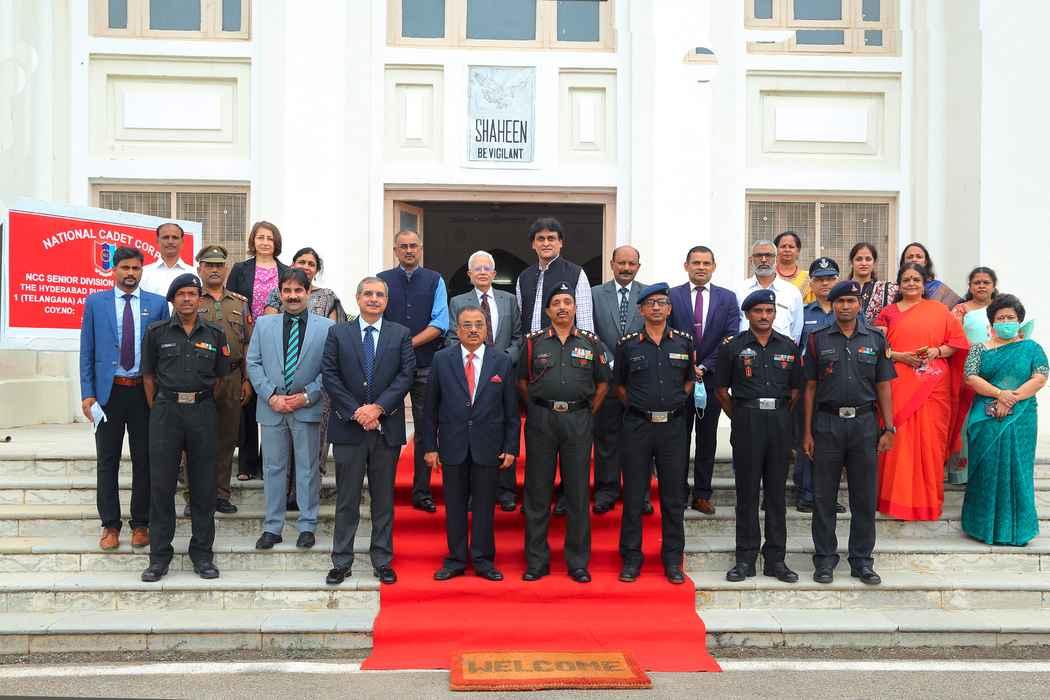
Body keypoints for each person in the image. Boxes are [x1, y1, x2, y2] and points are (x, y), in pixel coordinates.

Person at [802, 280, 896, 586]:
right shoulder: (817, 339)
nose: (845, 306)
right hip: (827, 424)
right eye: (840, 301)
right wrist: (807, 432)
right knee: (823, 497)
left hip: (864, 425)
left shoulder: (876, 339)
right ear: (833, 305)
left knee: (864, 497)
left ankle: (862, 561)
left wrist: (889, 427)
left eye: (851, 301)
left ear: (859, 304)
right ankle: (824, 560)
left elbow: (884, 385)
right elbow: (810, 388)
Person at [322, 277, 415, 586]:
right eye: (368, 294)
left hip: (385, 429)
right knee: (346, 499)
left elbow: (406, 376)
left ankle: (382, 560)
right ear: (358, 297)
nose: (374, 299)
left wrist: (378, 408)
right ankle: (341, 561)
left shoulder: (400, 334)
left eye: (380, 295)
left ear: (386, 301)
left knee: (383, 499)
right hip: (349, 429)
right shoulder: (338, 333)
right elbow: (330, 375)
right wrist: (357, 411)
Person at [140, 273, 231, 582]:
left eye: (193, 293)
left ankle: (202, 555)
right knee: (162, 486)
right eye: (182, 294)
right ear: (173, 300)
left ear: (200, 298)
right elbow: (148, 377)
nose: (188, 299)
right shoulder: (156, 332)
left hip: (202, 412)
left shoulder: (215, 334)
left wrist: (199, 400)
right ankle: (159, 557)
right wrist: (162, 406)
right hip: (166, 412)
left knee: (204, 487)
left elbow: (220, 379)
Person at [518, 283, 609, 583]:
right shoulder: (533, 343)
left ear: (575, 308)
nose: (562, 307)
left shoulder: (591, 342)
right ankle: (536, 562)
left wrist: (585, 412)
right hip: (541, 421)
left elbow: (603, 384)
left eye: (567, 302)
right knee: (537, 493)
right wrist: (537, 408)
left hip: (578, 420)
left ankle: (578, 562)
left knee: (577, 493)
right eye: (556, 302)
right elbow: (522, 381)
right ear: (547, 311)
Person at [79, 247, 169, 551]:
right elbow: (87, 350)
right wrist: (88, 394)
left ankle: (141, 524)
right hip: (109, 395)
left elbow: (163, 353)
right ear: (114, 270)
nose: (130, 273)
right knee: (108, 460)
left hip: (144, 393)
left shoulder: (158, 305)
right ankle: (110, 525)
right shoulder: (95, 303)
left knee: (145, 459)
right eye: (125, 268)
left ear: (142, 271)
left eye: (136, 268)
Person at [423, 306, 520, 582]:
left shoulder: (501, 361)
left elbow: (511, 410)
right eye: (467, 325)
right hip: (452, 445)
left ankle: (483, 559)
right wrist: (430, 447)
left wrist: (511, 447)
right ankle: (455, 559)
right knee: (454, 506)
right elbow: (430, 408)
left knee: (484, 507)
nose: (474, 330)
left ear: (487, 328)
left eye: (479, 324)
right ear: (458, 329)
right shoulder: (442, 359)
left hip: (488, 446)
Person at [717, 289, 802, 584]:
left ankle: (776, 560)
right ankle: (745, 559)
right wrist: (741, 416)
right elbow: (721, 391)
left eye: (769, 311)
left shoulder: (788, 346)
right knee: (747, 494)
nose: (764, 316)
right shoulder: (733, 347)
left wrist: (779, 415)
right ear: (748, 314)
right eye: (758, 311)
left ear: (775, 314)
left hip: (779, 423)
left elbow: (796, 391)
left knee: (776, 495)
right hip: (747, 422)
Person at [246, 268, 334, 552]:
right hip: (272, 408)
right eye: (287, 291)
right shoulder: (264, 324)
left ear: (308, 292)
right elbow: (253, 362)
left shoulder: (326, 327)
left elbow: (330, 369)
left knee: (307, 468)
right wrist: (271, 396)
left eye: (298, 290)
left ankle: (307, 525)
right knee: (273, 468)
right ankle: (272, 527)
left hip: (307, 408)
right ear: (280, 293)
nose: (293, 296)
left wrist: (307, 397)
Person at [874, 263, 968, 521]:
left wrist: (936, 351)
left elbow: (957, 344)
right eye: (906, 279)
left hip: (933, 385)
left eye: (916, 279)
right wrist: (901, 356)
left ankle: (925, 503)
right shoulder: (888, 313)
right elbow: (878, 347)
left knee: (930, 443)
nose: (912, 283)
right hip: (897, 382)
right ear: (899, 283)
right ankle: (894, 500)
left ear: (925, 283)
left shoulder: (939, 311)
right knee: (898, 441)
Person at [615, 283, 693, 584]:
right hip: (638, 426)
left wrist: (675, 402)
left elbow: (689, 381)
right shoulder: (628, 345)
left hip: (672, 428)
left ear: (669, 309)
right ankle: (631, 558)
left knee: (673, 497)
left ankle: (672, 560)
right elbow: (619, 386)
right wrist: (640, 407)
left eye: (661, 303)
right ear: (641, 310)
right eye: (650, 303)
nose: (656, 308)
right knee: (635, 496)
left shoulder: (683, 343)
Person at [962, 294, 1047, 546]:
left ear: (1019, 321)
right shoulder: (979, 349)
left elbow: (1040, 377)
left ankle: (1018, 530)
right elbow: (970, 377)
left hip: (1022, 416)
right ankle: (981, 527)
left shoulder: (1031, 348)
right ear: (992, 322)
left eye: (1011, 317)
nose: (1006, 321)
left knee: (1019, 469)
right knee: (986, 468)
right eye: (1001, 318)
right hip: (985, 416)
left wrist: (1011, 398)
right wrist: (999, 394)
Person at [378, 230, 449, 514]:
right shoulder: (382, 280)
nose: (409, 250)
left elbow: (441, 323)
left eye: (413, 246)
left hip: (425, 365)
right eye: (403, 246)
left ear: (420, 249)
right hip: (389, 367)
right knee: (386, 427)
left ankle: (421, 492)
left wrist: (406, 344)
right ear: (395, 250)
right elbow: (375, 317)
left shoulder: (435, 280)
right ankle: (384, 490)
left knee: (425, 428)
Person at [447, 250, 522, 511]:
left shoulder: (509, 300)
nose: (482, 272)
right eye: (477, 269)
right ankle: (472, 491)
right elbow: (452, 337)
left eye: (486, 268)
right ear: (469, 274)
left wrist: (500, 361)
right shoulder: (458, 302)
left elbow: (518, 338)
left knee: (504, 427)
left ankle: (506, 490)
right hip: (470, 375)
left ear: (493, 273)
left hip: (502, 375)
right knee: (474, 432)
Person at [668, 246, 740, 515]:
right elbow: (666, 332)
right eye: (696, 262)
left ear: (714, 266)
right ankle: (678, 491)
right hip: (678, 381)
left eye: (706, 263)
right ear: (686, 265)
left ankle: (702, 494)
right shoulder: (672, 296)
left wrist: (705, 365)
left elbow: (730, 337)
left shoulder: (727, 298)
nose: (701, 267)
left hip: (711, 381)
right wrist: (688, 366)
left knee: (707, 439)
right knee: (679, 439)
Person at [227, 221, 291, 480]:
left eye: (270, 238)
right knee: (248, 400)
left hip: (277, 341)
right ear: (253, 241)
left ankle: (268, 462)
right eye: (260, 237)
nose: (265, 242)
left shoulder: (286, 271)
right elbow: (232, 302)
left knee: (273, 396)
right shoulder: (240, 269)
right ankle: (246, 464)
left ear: (276, 243)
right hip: (247, 339)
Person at [192, 245, 253, 517]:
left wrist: (247, 380)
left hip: (232, 377)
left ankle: (221, 494)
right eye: (209, 265)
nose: (214, 270)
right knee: (195, 439)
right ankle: (195, 496)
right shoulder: (191, 299)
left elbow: (249, 344)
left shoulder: (240, 302)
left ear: (226, 269)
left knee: (227, 439)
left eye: (219, 265)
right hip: (199, 379)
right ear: (200, 269)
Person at [590, 245, 647, 514]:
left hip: (640, 379)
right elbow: (589, 331)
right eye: (621, 263)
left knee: (640, 441)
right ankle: (606, 490)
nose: (626, 268)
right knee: (606, 437)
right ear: (612, 264)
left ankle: (639, 493)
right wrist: (610, 360)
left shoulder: (648, 295)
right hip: (605, 377)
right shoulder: (593, 294)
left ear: (638, 266)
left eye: (631, 263)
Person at [794, 257, 846, 514]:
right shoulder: (803, 314)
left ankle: (827, 495)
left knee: (833, 445)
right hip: (808, 386)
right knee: (806, 439)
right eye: (820, 279)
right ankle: (805, 493)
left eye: (830, 278)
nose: (825, 283)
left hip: (839, 388)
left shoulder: (847, 312)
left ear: (838, 281)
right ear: (811, 283)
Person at [947, 267, 999, 484]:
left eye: (986, 282)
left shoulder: (1002, 309)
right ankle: (960, 473)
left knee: (991, 421)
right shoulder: (961, 310)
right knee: (965, 422)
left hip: (996, 371)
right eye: (977, 282)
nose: (981, 286)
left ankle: (989, 473)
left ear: (994, 286)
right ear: (970, 286)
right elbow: (953, 338)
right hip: (967, 372)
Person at [515, 217, 594, 334]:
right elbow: (519, 321)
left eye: (551, 238)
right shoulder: (524, 277)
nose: (546, 243)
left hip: (564, 344)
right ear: (533, 244)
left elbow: (585, 324)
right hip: (529, 344)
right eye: (541, 239)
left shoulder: (576, 273)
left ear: (560, 243)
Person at [736, 240, 804, 343]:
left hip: (782, 351)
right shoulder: (739, 290)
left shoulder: (792, 292)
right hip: (746, 350)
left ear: (776, 259)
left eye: (768, 255)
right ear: (751, 260)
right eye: (759, 255)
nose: (764, 260)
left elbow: (796, 331)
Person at [263, 247, 347, 322]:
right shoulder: (278, 292)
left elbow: (333, 329)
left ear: (317, 270)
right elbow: (269, 325)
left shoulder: (328, 296)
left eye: (311, 264)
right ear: (292, 265)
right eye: (302, 262)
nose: (306, 267)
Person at [139, 222, 196, 299]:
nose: (170, 242)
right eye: (165, 237)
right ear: (157, 241)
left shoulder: (194, 273)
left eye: (175, 237)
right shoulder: (143, 273)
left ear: (182, 242)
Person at [899, 242, 962, 308]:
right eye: (910, 257)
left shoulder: (938, 288)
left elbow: (960, 308)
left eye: (919, 257)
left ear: (925, 262)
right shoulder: (895, 289)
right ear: (903, 262)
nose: (914, 260)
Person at [848, 242, 897, 325]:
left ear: (874, 263)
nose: (864, 263)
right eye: (859, 259)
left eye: (868, 259)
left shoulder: (887, 289)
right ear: (851, 262)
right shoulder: (842, 289)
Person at [774, 230, 814, 303]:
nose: (787, 250)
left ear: (798, 251)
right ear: (775, 250)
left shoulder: (808, 278)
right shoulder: (768, 276)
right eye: (783, 246)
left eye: (791, 247)